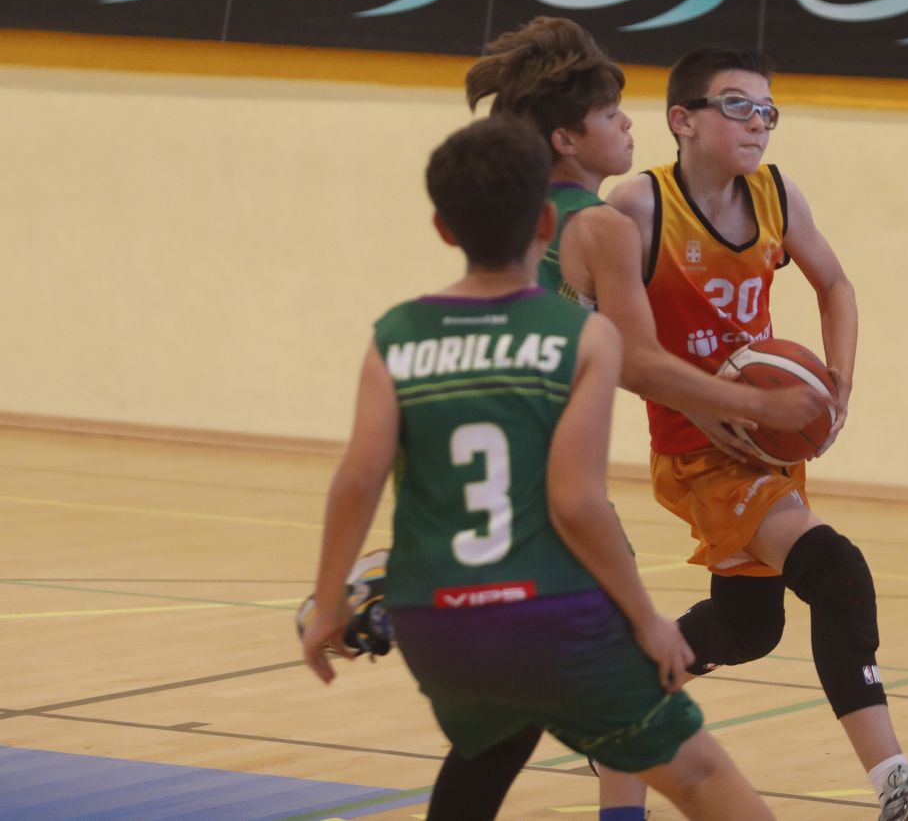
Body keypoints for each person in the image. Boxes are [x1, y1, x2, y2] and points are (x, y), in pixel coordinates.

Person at [299, 116, 775, 821]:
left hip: (435, 624)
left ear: (442, 228)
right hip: (547, 614)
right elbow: (577, 503)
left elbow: (358, 480)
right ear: (548, 222)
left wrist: (328, 603)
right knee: (702, 778)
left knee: (490, 746)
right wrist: (647, 619)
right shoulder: (582, 336)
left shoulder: (395, 336)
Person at [594, 47, 908, 821]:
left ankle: (626, 690)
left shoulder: (776, 196)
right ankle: (897, 785)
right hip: (697, 451)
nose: (758, 123)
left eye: (768, 109)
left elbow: (835, 285)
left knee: (748, 626)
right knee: (836, 571)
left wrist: (838, 386)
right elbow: (603, 337)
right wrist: (704, 403)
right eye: (737, 105)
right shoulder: (636, 207)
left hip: (762, 439)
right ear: (684, 121)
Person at [465, 16, 826, 433]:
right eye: (610, 113)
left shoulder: (520, 211)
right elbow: (639, 364)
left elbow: (612, 358)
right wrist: (757, 402)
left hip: (472, 408)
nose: (627, 122)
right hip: (527, 427)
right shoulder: (605, 225)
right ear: (566, 140)